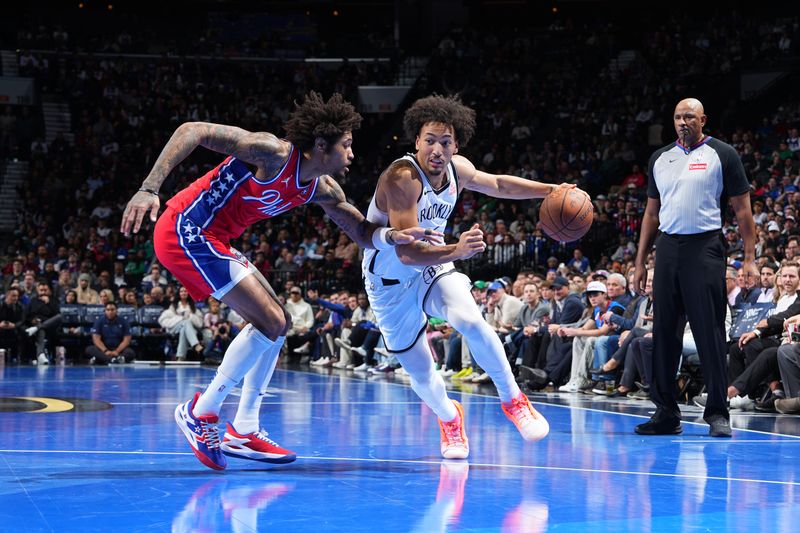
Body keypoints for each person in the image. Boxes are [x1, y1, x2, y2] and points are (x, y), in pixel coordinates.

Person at [120, 91, 436, 471]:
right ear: (321, 145)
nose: (352, 154)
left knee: (279, 323)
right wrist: (148, 189)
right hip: (185, 229)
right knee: (271, 321)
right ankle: (201, 411)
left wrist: (394, 237)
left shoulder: (323, 188)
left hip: (214, 240)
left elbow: (363, 233)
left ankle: (245, 427)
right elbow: (194, 129)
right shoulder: (272, 152)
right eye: (346, 145)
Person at [362, 94, 581, 458]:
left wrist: (551, 190)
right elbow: (405, 251)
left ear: (455, 145)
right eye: (429, 140)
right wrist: (458, 251)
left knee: (471, 320)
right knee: (420, 372)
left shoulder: (456, 168)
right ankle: (449, 417)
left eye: (445, 142)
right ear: (416, 140)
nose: (437, 149)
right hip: (390, 280)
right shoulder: (401, 178)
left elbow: (496, 184)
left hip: (434, 266)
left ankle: (514, 400)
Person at [633, 98, 758, 438]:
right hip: (668, 248)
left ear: (703, 119)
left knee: (710, 332)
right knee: (664, 334)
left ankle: (717, 411)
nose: (682, 121)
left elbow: (743, 212)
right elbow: (651, 213)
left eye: (689, 116)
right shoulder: (660, 158)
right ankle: (665, 412)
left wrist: (749, 258)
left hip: (706, 247)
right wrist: (640, 262)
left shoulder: (723, 154)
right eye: (677, 116)